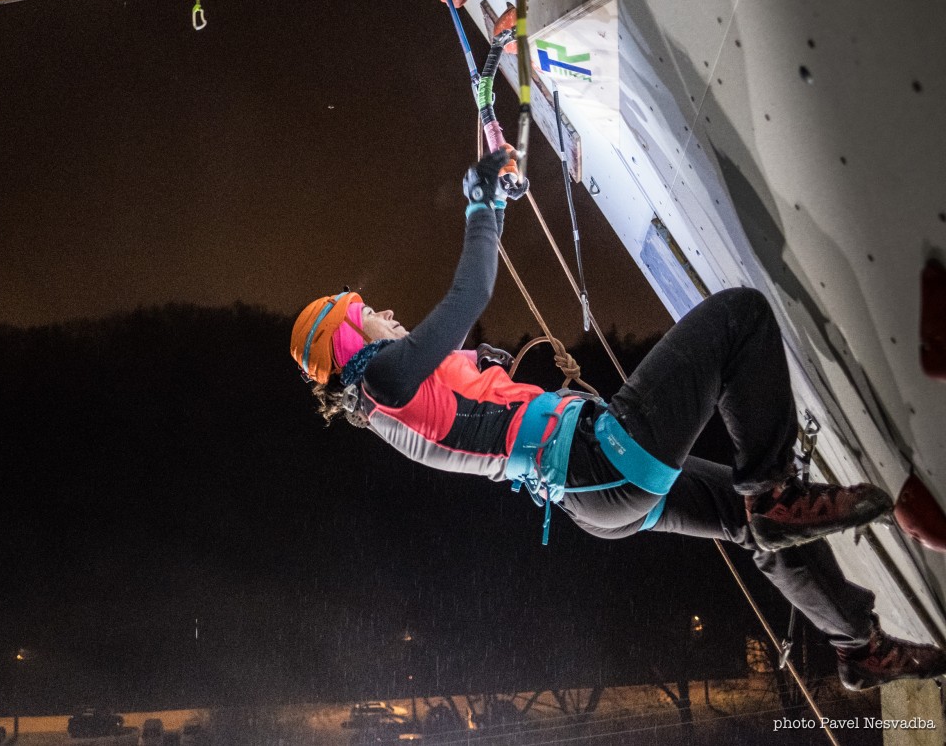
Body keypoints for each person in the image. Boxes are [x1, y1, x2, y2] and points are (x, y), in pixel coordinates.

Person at [290, 149, 946, 691]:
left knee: (746, 526)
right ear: (347, 338)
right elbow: (471, 293)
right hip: (596, 462)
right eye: (367, 308)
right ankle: (776, 493)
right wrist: (482, 205)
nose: (387, 313)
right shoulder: (383, 377)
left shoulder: (388, 404)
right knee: (739, 317)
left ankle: (858, 648)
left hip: (595, 495)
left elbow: (466, 388)